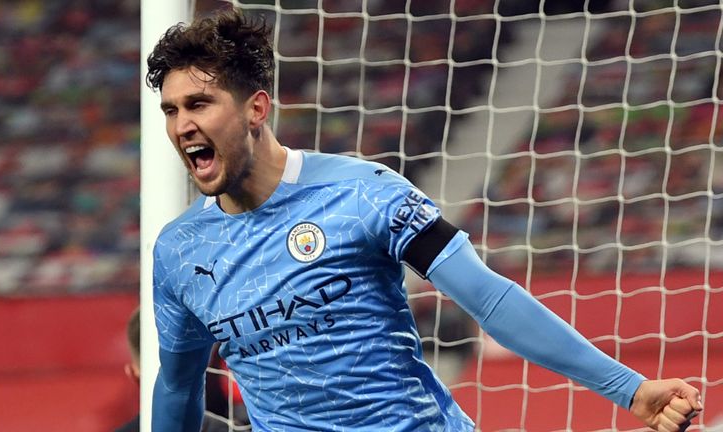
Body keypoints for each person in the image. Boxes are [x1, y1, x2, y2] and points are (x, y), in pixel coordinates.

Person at [145, 8, 703, 432]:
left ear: (256, 109)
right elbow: (178, 384)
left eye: (199, 104)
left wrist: (630, 390)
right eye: (171, 110)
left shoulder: (362, 194)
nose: (181, 125)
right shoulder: (180, 251)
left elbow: (489, 299)